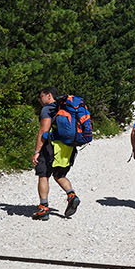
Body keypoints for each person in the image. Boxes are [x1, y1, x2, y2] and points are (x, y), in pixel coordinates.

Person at [31, 88, 80, 220]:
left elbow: (43, 131)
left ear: (49, 95)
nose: (39, 100)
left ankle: (43, 208)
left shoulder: (48, 109)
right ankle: (72, 196)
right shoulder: (66, 108)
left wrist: (37, 152)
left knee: (43, 175)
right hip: (68, 147)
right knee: (59, 174)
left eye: (41, 96)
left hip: (51, 147)